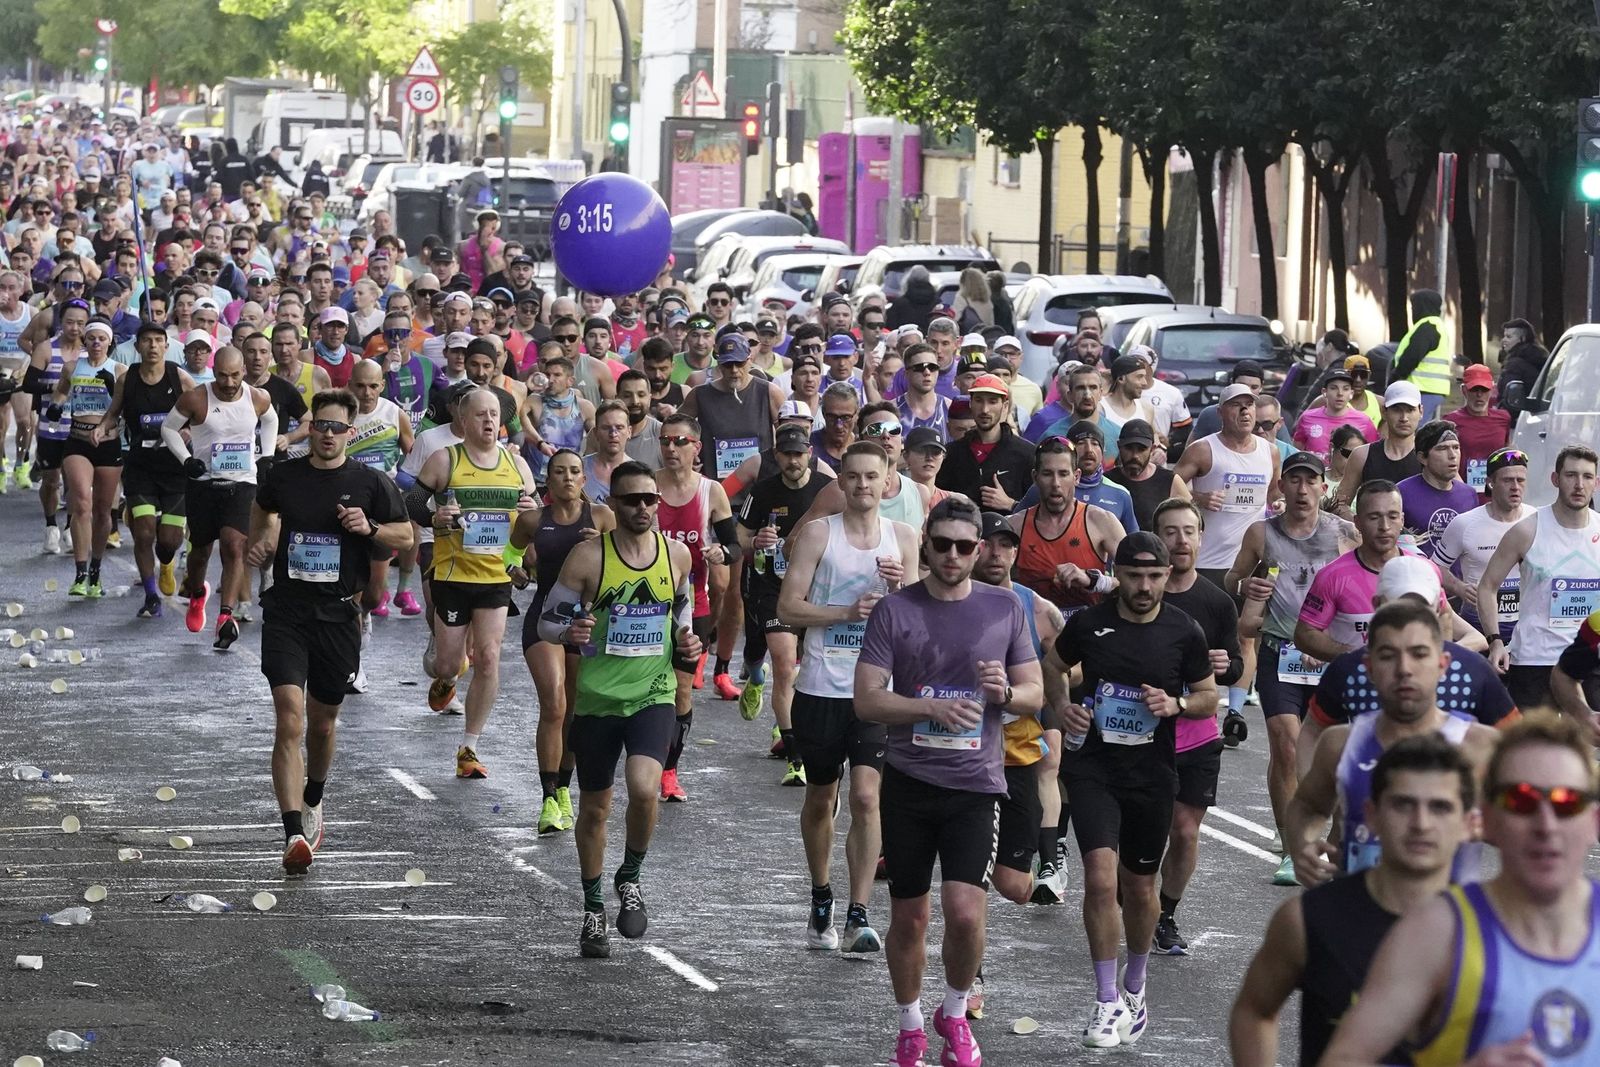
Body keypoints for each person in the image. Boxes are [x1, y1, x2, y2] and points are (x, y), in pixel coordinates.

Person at [855, 495, 1043, 1067]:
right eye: (943, 545)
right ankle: (911, 1024)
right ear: (927, 546)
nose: (954, 556)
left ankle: (956, 1014)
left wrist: (1004, 695)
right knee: (910, 915)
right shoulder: (895, 610)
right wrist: (926, 710)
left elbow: (1035, 692)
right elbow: (866, 700)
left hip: (975, 785)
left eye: (966, 546)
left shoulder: (1004, 608)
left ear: (980, 550)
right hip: (910, 783)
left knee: (966, 912)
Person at [1321, 713, 1600, 1066]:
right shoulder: (1437, 933)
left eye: (1566, 803)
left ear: (1594, 822)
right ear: (1487, 819)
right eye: (1521, 800)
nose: (1545, 825)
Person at [1045, 532, 1220, 1047]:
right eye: (1134, 575)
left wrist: (1177, 706)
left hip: (1151, 774)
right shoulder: (1091, 622)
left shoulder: (1183, 631)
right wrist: (1062, 707)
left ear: (1168, 576)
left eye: (1154, 577)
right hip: (1094, 766)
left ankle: (1135, 989)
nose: (1144, 586)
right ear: (1116, 574)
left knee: (1139, 888)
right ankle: (1104, 1001)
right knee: (1101, 879)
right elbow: (1054, 665)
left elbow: (1210, 696)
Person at [536, 462, 704, 959]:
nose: (643, 509)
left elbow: (682, 610)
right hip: (598, 701)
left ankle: (629, 877)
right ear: (615, 504)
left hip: (653, 693)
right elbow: (547, 621)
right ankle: (592, 909)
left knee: (646, 789)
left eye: (650, 499)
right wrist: (569, 632)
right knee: (594, 811)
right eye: (632, 500)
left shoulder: (675, 556)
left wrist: (686, 642)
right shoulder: (587, 559)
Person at [1229, 735, 1477, 1066]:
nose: (1421, 823)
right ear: (1371, 815)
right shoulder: (1308, 919)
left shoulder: (1495, 928)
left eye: (1440, 807)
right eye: (1403, 804)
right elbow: (1254, 1010)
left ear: (1470, 824)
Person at [246, 389, 411, 873]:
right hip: (287, 613)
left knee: (321, 724)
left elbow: (406, 535)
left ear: (351, 433)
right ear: (311, 427)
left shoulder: (369, 482)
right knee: (290, 719)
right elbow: (264, 507)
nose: (327, 434)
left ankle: (314, 795)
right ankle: (293, 830)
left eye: (338, 427)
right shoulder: (285, 475)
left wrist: (370, 527)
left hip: (339, 616)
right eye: (320, 425)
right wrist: (265, 540)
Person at [779, 441, 917, 953]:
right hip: (820, 686)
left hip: (876, 690)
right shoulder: (819, 534)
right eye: (852, 476)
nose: (862, 486)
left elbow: (921, 620)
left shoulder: (903, 537)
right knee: (822, 797)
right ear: (840, 480)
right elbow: (789, 608)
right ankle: (821, 896)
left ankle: (859, 913)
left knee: (865, 796)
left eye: (871, 477)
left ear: (887, 481)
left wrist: (904, 590)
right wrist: (845, 612)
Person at [1286, 599, 1498, 887]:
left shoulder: (1480, 746)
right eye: (1388, 655)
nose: (1404, 669)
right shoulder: (1341, 744)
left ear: (1442, 665)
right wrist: (1302, 846)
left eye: (1419, 654)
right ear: (1369, 667)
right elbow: (1308, 806)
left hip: (1444, 926)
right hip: (1360, 921)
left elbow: (1527, 829)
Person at [1230, 450, 1359, 882]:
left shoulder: (1344, 532)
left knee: (1330, 749)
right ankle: (1293, 847)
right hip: (1279, 650)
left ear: (1324, 488)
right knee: (1286, 747)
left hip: (1328, 654)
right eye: (1294, 481)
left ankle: (1335, 837)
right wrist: (1246, 584)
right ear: (1281, 487)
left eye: (1311, 482)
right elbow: (1232, 581)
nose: (1302, 490)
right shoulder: (1260, 533)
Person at [407, 388, 538, 776]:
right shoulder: (445, 459)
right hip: (452, 574)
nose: (488, 421)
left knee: (490, 656)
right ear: (463, 420)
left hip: (495, 576)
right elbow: (413, 502)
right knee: (448, 663)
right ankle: (447, 675)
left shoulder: (516, 465)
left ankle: (469, 747)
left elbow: (535, 517)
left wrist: (532, 510)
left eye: (494, 414)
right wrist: (436, 517)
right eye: (480, 414)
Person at [1150, 500, 1244, 954]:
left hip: (1198, 733)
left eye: (1189, 531)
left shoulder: (1217, 602)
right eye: (1171, 532)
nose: (1181, 541)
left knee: (1185, 831)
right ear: (1156, 539)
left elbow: (1235, 664)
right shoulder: (1141, 593)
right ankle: (1135, 899)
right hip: (1142, 733)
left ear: (1202, 538)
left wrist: (1227, 665)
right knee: (1145, 830)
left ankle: (1165, 914)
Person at [512, 449, 615, 835]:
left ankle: (566, 790)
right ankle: (548, 797)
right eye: (560, 472)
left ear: (584, 480)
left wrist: (603, 547)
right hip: (545, 619)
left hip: (587, 621)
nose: (568, 478)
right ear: (549, 481)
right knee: (553, 704)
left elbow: (620, 563)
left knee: (575, 708)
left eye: (575, 472)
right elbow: (512, 553)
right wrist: (517, 571)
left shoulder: (603, 517)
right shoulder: (533, 520)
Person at [161, 346, 278, 648]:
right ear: (214, 372)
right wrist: (186, 460)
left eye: (235, 375)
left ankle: (226, 615)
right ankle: (198, 593)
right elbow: (169, 428)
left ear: (243, 372)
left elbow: (270, 420)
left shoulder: (257, 397)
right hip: (203, 484)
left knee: (234, 544)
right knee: (200, 553)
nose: (229, 383)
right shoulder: (196, 398)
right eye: (223, 376)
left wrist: (265, 456)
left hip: (241, 483)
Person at [1477, 445, 1600, 714]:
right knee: (1533, 748)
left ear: (1597, 482)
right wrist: (1495, 641)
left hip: (1589, 659)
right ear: (1555, 479)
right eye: (1570, 475)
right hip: (1535, 659)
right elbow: (1487, 586)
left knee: (1589, 750)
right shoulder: (1527, 530)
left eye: (1587, 477)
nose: (1579, 484)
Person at [652, 413, 737, 800]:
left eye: (680, 441)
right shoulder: (646, 485)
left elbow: (735, 546)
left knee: (682, 691)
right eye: (666, 441)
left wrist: (722, 551)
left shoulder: (711, 491)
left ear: (695, 447)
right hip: (643, 605)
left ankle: (669, 772)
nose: (671, 448)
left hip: (693, 604)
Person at [95, 321, 196, 618]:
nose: (152, 346)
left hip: (175, 466)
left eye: (158, 340)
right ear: (137, 346)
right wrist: (102, 427)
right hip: (141, 467)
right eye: (147, 341)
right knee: (143, 532)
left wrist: (190, 429)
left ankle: (166, 563)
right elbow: (114, 412)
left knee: (169, 540)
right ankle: (151, 595)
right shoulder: (129, 379)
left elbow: (200, 412)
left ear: (166, 346)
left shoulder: (179, 376)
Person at [1009, 435, 1126, 616]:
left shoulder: (1102, 522)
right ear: (1035, 477)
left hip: (1088, 633)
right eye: (1047, 474)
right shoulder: (1015, 526)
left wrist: (1093, 581)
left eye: (1063, 474)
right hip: (1034, 633)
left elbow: (1136, 580)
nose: (1056, 484)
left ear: (1076, 476)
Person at [1433, 447, 1536, 649]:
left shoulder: (1537, 520)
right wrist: (1458, 587)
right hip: (1477, 626)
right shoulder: (1464, 524)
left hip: (1525, 628)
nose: (1515, 487)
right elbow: (1434, 569)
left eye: (1520, 480)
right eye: (1507, 480)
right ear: (1490, 482)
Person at [52, 318, 125, 598]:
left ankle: (96, 569)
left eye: (101, 339)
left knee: (103, 510)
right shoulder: (72, 367)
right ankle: (80, 572)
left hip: (108, 443)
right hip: (78, 441)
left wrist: (111, 389)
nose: (96, 343)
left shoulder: (120, 371)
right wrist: (57, 407)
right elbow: (61, 390)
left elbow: (124, 408)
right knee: (81, 501)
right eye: (91, 338)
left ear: (109, 342)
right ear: (85, 341)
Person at [935, 373, 1033, 507]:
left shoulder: (1026, 454)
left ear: (1004, 406)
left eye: (992, 401)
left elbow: (1038, 510)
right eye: (979, 400)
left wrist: (1011, 504)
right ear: (971, 403)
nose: (985, 409)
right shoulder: (951, 454)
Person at [1333, 381, 1423, 517]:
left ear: (1420, 411)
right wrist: (1361, 527)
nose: (1404, 418)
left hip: (1420, 536)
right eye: (1397, 409)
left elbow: (1458, 494)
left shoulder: (1431, 455)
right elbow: (1339, 504)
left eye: (1410, 410)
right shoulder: (1362, 455)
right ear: (1384, 412)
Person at [1397, 420, 1480, 553]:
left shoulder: (1469, 494)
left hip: (1459, 574)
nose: (1452, 455)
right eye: (1442, 448)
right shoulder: (1401, 493)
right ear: (1422, 458)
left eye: (1456, 447)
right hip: (1419, 571)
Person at [1104, 418, 1189, 532]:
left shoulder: (1170, 481)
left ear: (1152, 449)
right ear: (1119, 446)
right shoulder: (1107, 481)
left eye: (1141, 449)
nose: (1135, 456)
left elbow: (1190, 522)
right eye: (1129, 448)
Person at [1444, 363, 1512, 497]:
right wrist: (1461, 490)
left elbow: (1507, 452)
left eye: (1484, 389)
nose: (1479, 395)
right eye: (1474, 389)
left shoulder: (1504, 418)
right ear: (1464, 390)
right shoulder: (1450, 421)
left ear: (1492, 390)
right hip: (1462, 493)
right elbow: (1444, 460)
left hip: (1495, 495)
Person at [1389, 288, 1451, 421]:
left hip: (1422, 389)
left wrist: (1396, 376)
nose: (1412, 311)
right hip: (1429, 389)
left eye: (1414, 307)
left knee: (1413, 429)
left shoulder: (1428, 326)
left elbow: (1412, 355)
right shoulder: (1435, 325)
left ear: (1422, 306)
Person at [1290, 364, 1377, 459]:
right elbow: (1296, 453)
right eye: (1334, 388)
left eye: (1345, 389)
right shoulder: (1307, 417)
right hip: (1315, 472)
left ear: (1351, 393)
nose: (1340, 393)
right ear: (1324, 392)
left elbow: (1373, 455)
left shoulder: (1364, 421)